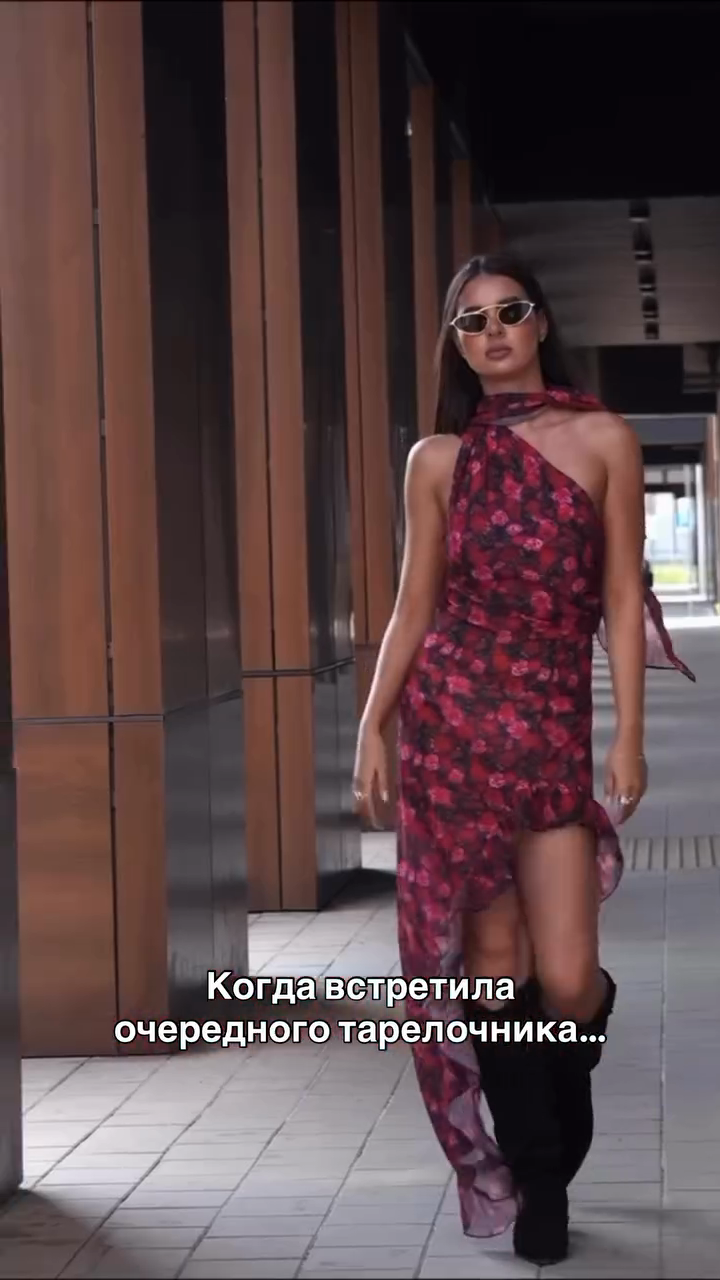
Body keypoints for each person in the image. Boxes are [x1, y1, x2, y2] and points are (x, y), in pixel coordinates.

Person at [351, 253, 695, 1266]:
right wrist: (374, 723)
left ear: (541, 323)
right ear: (456, 345)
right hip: (450, 728)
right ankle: (540, 1182)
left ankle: (553, 1122)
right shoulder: (438, 459)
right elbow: (414, 603)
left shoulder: (605, 438)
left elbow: (622, 597)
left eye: (510, 312)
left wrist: (628, 733)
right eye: (473, 321)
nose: (494, 331)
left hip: (547, 727)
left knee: (570, 978)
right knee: (496, 971)